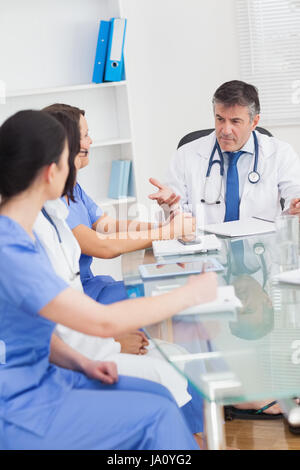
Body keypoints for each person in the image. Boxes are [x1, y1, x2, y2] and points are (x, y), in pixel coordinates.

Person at [0, 110, 218, 450]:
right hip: (22, 407)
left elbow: (33, 327)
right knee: (157, 414)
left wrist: (83, 362)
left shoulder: (26, 228)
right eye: (68, 157)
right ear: (50, 172)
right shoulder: (10, 246)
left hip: (53, 374)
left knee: (159, 394)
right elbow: (101, 322)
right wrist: (191, 293)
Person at [42, 103, 195, 304]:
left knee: (167, 287)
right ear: (67, 142)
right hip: (73, 297)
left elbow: (108, 226)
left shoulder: (73, 188)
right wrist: (167, 233)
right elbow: (102, 246)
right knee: (168, 296)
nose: (91, 141)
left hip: (89, 286)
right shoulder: (51, 197)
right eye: (85, 135)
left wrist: (166, 227)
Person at [148, 80, 300, 225]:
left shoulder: (280, 153)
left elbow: (295, 194)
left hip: (261, 245)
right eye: (220, 119)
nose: (225, 130)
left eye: (235, 121)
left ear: (254, 122)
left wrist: (295, 210)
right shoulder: (185, 156)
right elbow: (175, 220)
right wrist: (170, 206)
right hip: (205, 245)